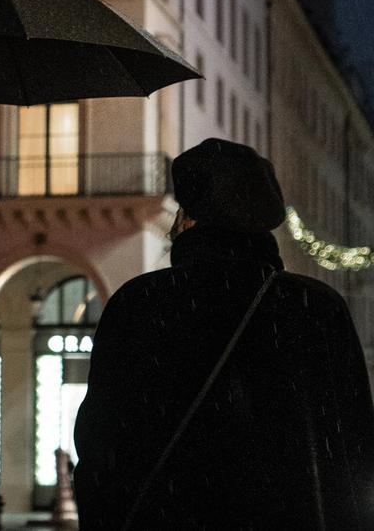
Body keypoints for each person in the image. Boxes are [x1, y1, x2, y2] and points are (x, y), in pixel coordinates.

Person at [73, 137, 374, 530]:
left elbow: (101, 450)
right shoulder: (316, 308)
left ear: (189, 216)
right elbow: (354, 452)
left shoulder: (140, 304)